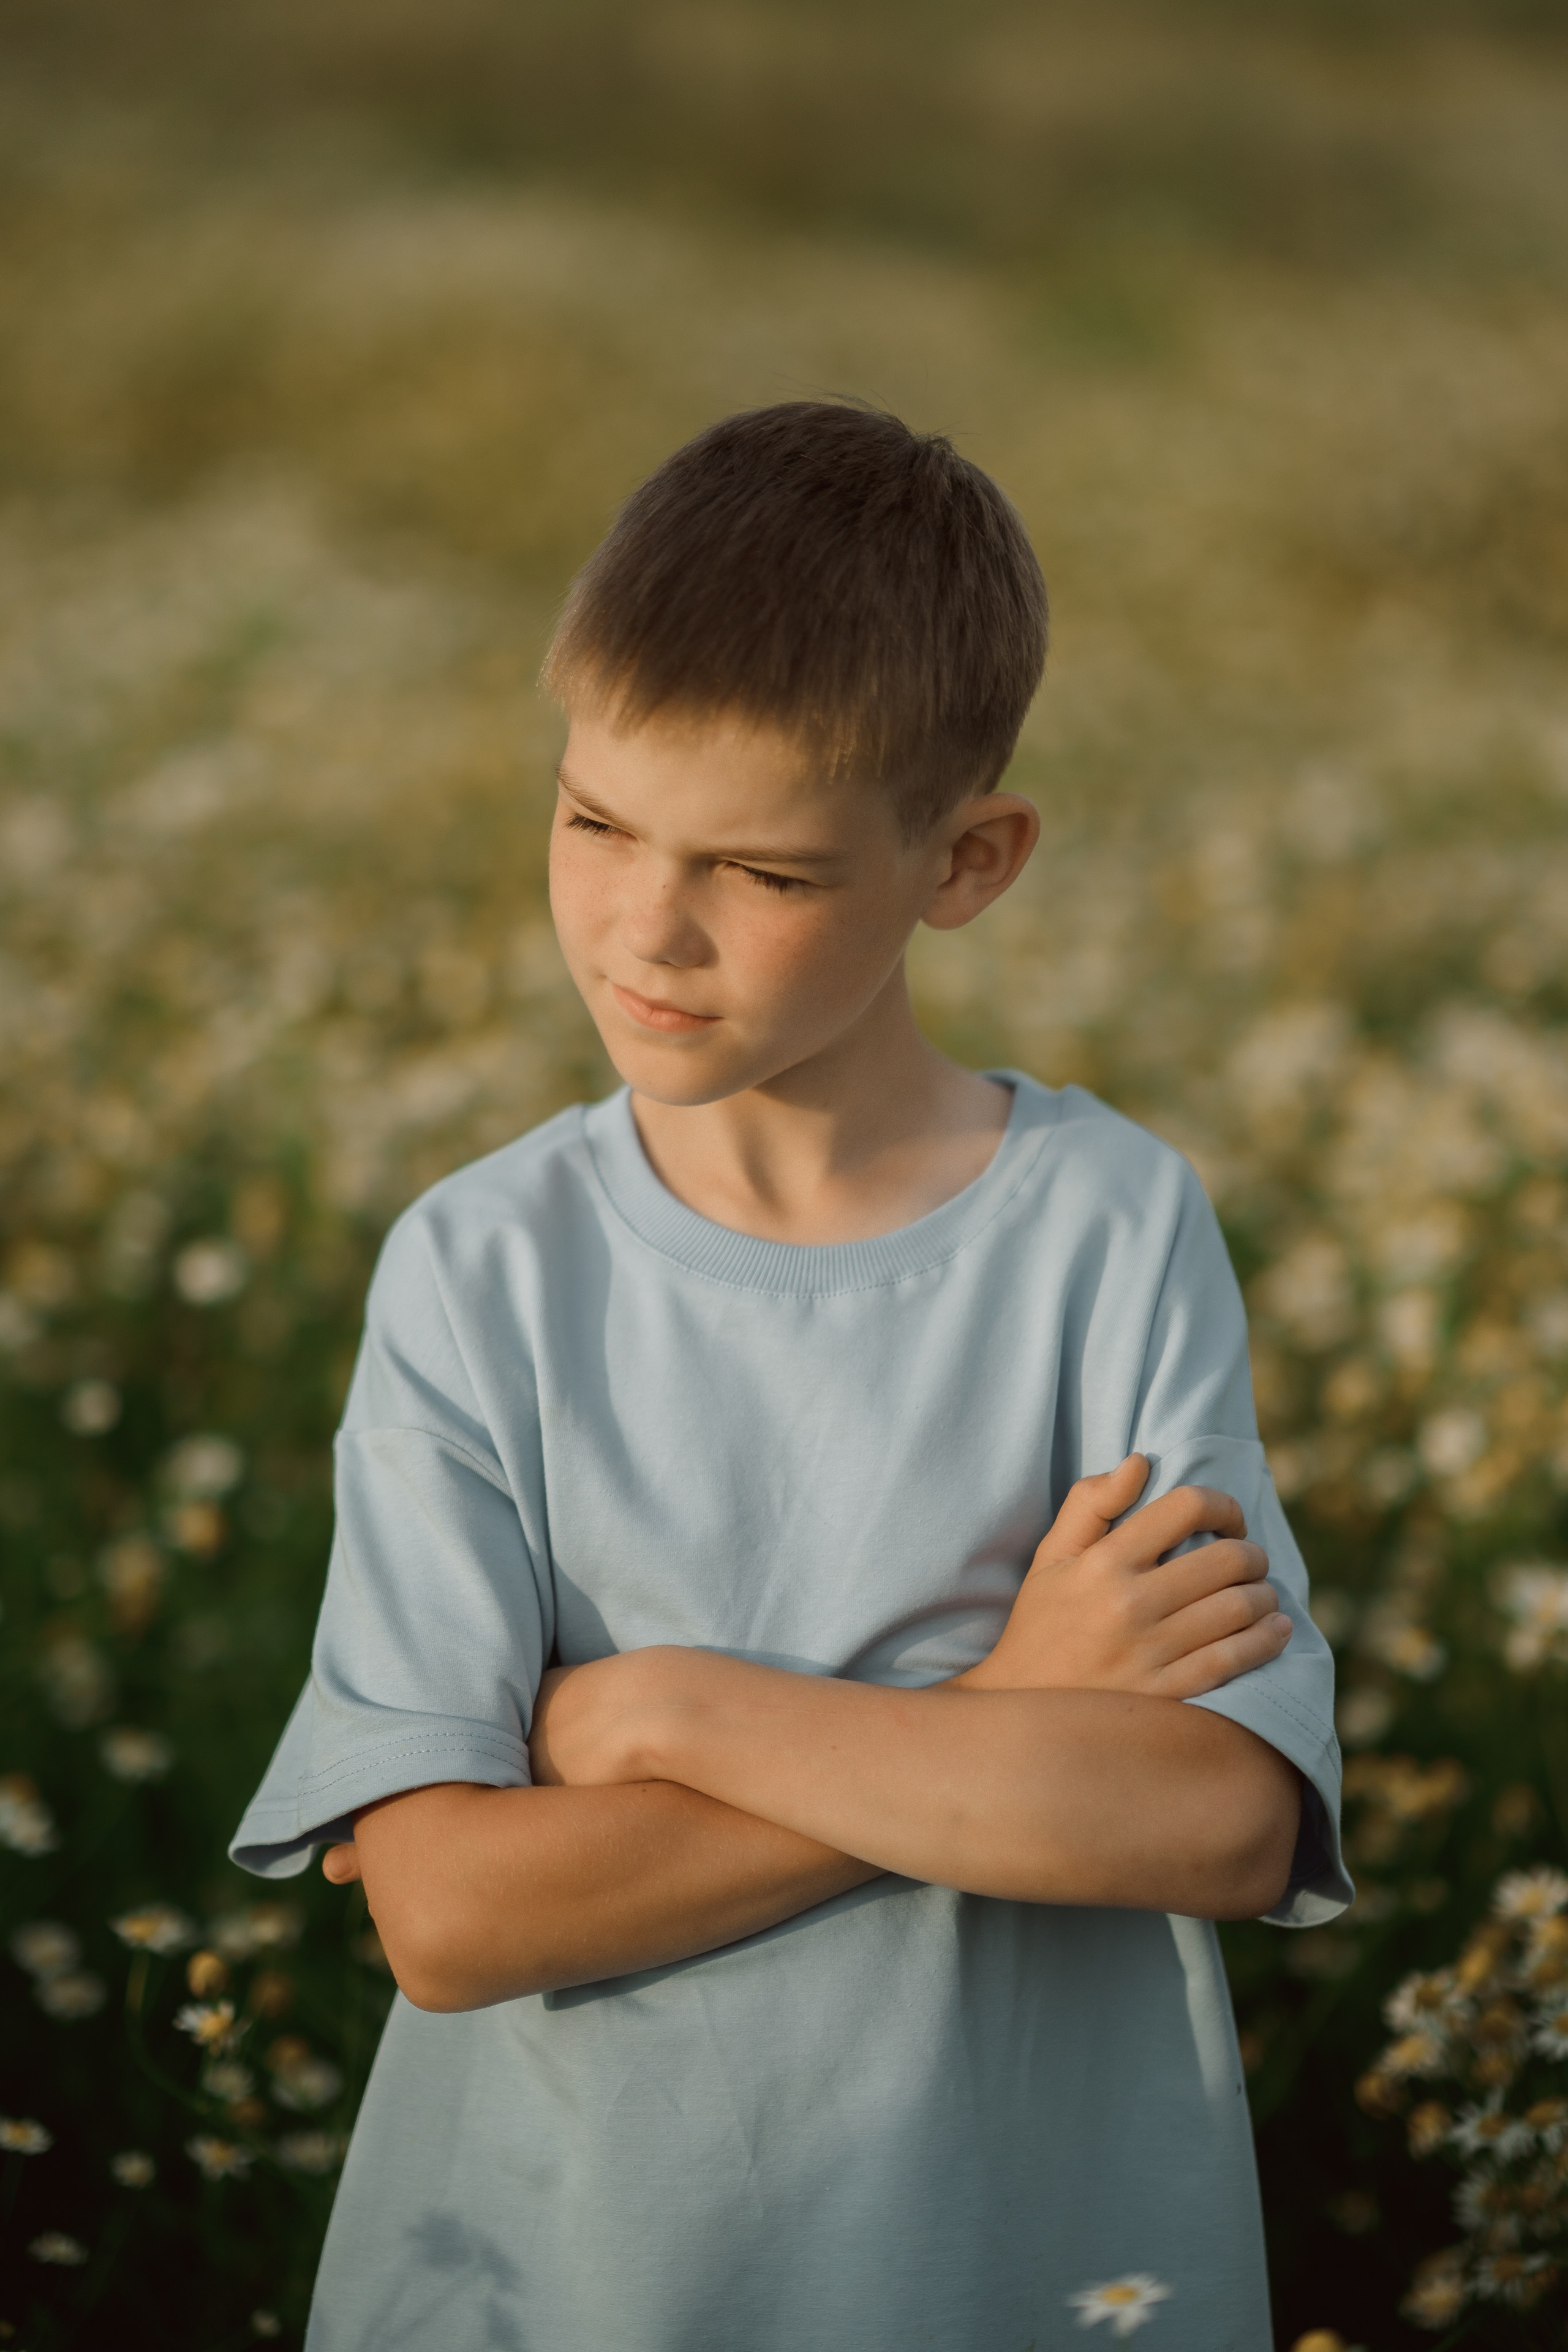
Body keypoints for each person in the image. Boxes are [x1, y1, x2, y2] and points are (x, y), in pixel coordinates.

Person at [232, 401, 1350, 2352]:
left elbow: (1213, 1822)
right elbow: (455, 1919)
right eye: (593, 822)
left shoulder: (1105, 1227)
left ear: (967, 859)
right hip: (565, 2285)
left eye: (761, 872)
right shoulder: (484, 1271)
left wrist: (672, 1713)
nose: (643, 930)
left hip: (1026, 2279)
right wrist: (1003, 1712)